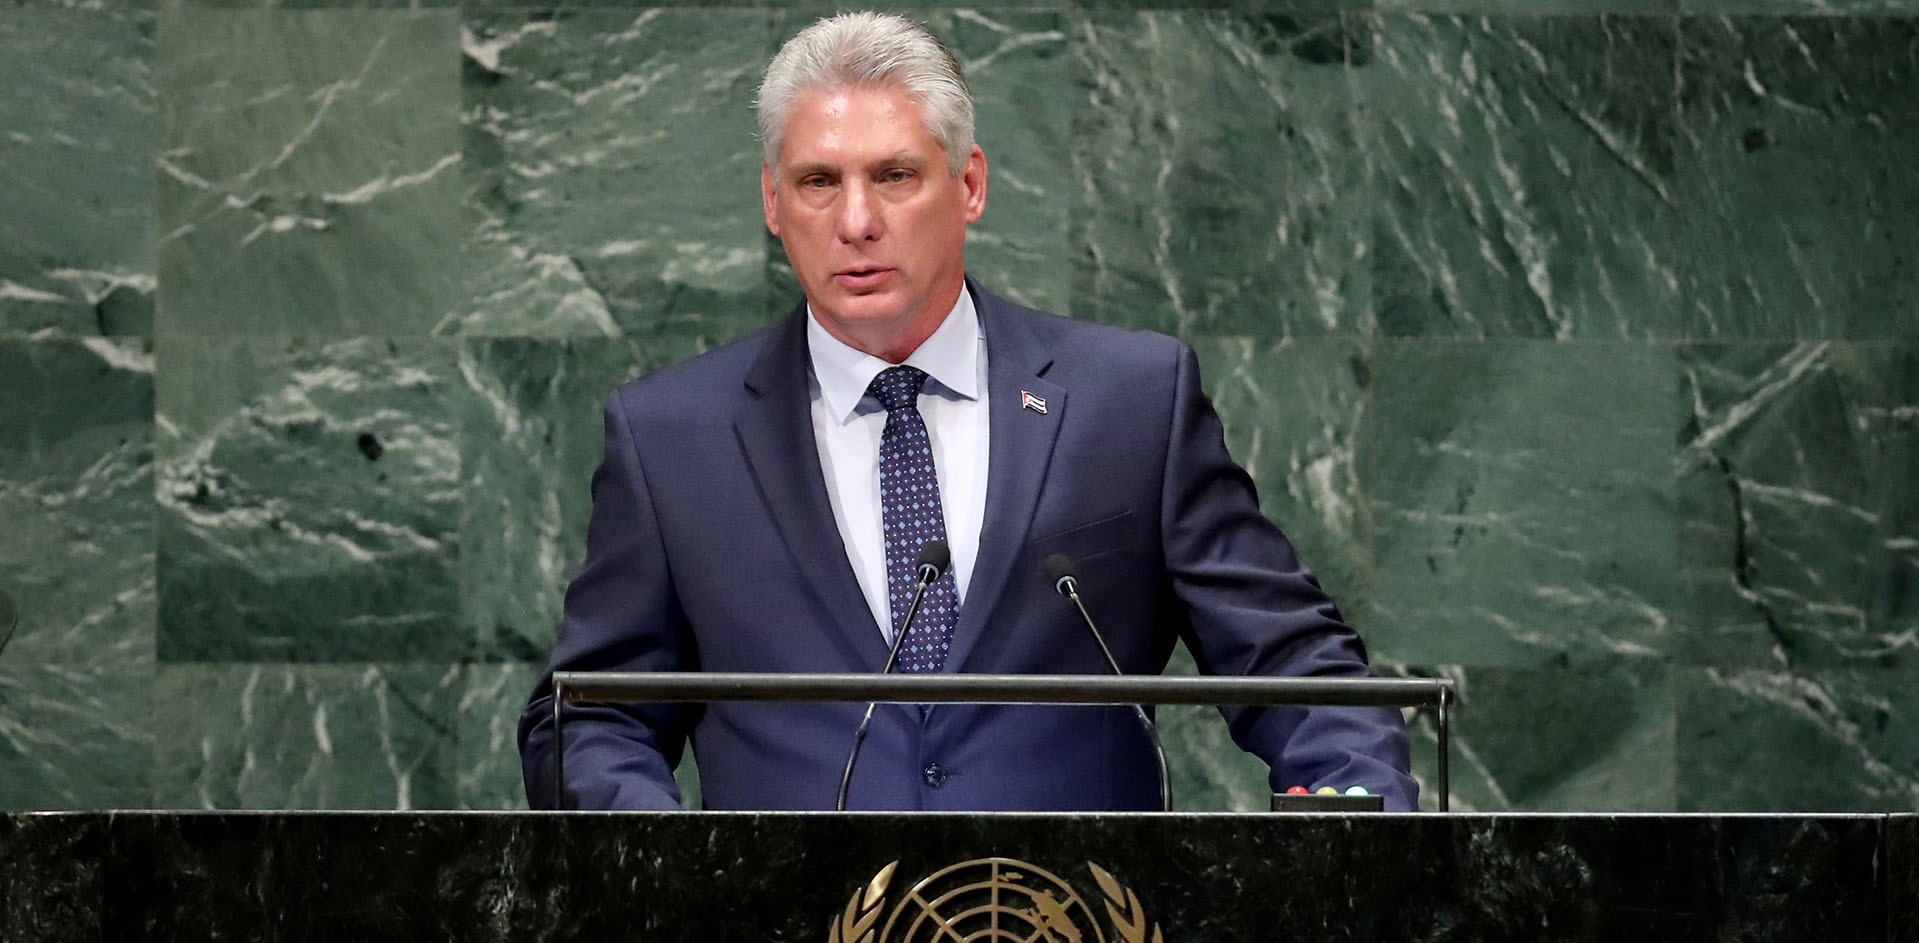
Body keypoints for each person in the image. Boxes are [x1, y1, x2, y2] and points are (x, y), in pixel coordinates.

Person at [517, 12, 1416, 811]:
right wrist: (667, 872)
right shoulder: (673, 437)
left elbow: (1294, 665)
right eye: (818, 181)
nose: (857, 219)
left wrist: (1352, 817)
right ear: (771, 204)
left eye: (896, 175)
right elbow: (589, 717)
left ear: (971, 184)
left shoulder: (1130, 401)